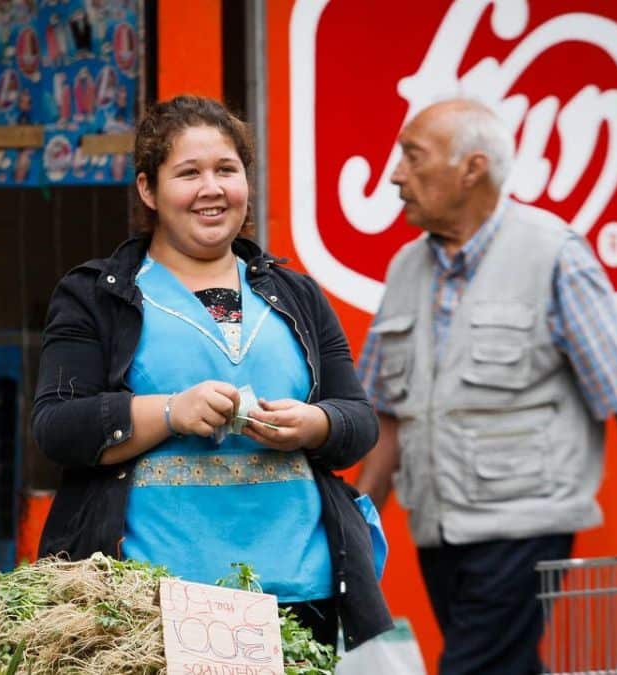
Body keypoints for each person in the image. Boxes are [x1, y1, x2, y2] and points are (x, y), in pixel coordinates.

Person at [32, 94, 393, 649]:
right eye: (188, 173)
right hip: (153, 598)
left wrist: (315, 425)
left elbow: (358, 420)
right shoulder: (97, 295)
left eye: (227, 169)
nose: (212, 188)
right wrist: (173, 411)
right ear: (148, 189)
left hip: (300, 589)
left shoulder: (294, 293)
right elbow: (58, 427)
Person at [353, 98, 617, 674]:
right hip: (438, 530)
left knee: (475, 668)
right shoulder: (406, 267)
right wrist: (360, 523)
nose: (396, 174)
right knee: (508, 666)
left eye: (412, 156)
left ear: (471, 169)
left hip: (525, 523)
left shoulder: (553, 254)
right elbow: (387, 415)